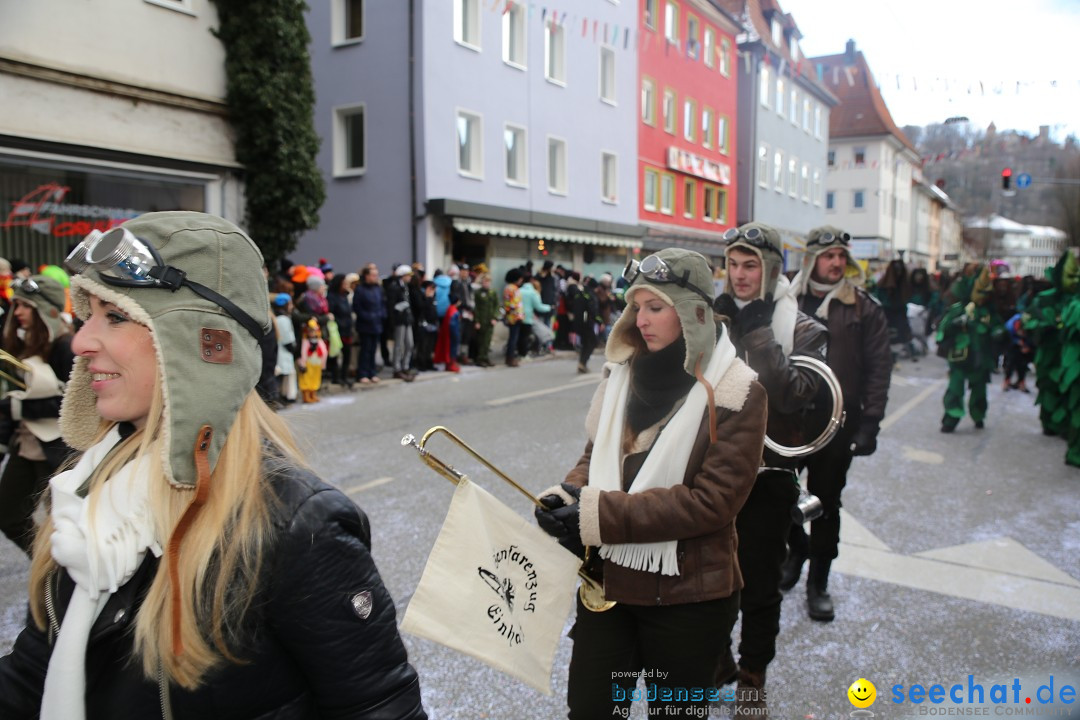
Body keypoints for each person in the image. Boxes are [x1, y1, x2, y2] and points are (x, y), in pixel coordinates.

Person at [0, 212, 426, 718]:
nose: (82, 341)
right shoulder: (87, 491)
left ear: (200, 345)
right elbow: (34, 674)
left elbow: (380, 708)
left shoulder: (295, 526)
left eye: (114, 316)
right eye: (87, 314)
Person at [534, 248, 767, 719]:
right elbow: (595, 454)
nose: (640, 319)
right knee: (593, 710)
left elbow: (712, 503)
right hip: (609, 586)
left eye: (655, 307)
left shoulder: (737, 390)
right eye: (636, 306)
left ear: (693, 312)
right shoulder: (621, 375)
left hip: (688, 598)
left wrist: (594, 514)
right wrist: (567, 495)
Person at [712, 223, 828, 714]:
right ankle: (718, 665)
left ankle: (753, 678)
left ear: (773, 269)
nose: (740, 276)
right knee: (705, 577)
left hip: (768, 473)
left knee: (758, 583)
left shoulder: (803, 327)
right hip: (709, 470)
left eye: (751, 265)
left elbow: (793, 396)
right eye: (734, 264)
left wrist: (759, 333)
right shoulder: (709, 316)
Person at [788, 226, 891, 621]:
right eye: (828, 255)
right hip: (789, 424)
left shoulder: (863, 308)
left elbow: (879, 370)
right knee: (778, 497)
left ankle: (818, 582)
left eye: (841, 257)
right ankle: (796, 549)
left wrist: (870, 424)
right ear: (811, 258)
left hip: (838, 424)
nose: (836, 263)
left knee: (826, 506)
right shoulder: (788, 300)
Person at [0, 274, 75, 555]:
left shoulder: (66, 346)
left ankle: (55, 582)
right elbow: (15, 400)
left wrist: (16, 407)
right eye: (16, 305)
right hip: (26, 447)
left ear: (46, 308)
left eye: (24, 305)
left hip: (57, 448)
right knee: (8, 515)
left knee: (63, 525)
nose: (16, 312)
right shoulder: (23, 344)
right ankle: (46, 572)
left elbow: (74, 401)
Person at [936, 266, 1005, 432]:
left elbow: (999, 327)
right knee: (955, 390)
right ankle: (951, 419)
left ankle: (979, 415)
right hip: (960, 358)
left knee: (980, 392)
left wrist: (998, 332)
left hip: (982, 359)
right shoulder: (958, 309)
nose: (983, 297)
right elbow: (942, 331)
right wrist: (955, 324)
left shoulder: (989, 312)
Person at [353, 264, 386, 384]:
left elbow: (383, 304)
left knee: (373, 349)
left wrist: (382, 315)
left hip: (377, 323)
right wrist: (368, 317)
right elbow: (357, 307)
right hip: (365, 324)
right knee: (365, 350)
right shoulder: (360, 289)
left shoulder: (378, 288)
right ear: (366, 276)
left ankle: (372, 372)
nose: (375, 277)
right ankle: (363, 373)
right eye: (373, 275)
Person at [387, 265, 416, 382]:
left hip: (407, 319)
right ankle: (397, 368)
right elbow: (391, 305)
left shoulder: (406, 287)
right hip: (399, 320)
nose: (410, 278)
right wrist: (399, 308)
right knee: (399, 345)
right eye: (408, 275)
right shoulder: (395, 287)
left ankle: (405, 366)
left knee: (410, 344)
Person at [472, 272, 499, 367]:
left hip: (490, 320)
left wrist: (495, 317)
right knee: (480, 340)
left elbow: (497, 306)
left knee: (487, 340)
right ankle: (480, 358)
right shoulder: (478, 293)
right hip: (481, 320)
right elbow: (476, 308)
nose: (486, 284)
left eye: (487, 282)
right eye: (484, 282)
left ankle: (485, 357)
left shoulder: (493, 292)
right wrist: (477, 321)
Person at [298, 318, 327, 403]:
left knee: (315, 379)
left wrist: (323, 364)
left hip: (317, 364)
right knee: (306, 379)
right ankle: (306, 396)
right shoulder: (306, 341)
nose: (312, 333)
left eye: (313, 331)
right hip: (308, 363)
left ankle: (313, 394)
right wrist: (302, 364)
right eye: (310, 331)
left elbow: (324, 351)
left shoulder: (319, 341)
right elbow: (303, 353)